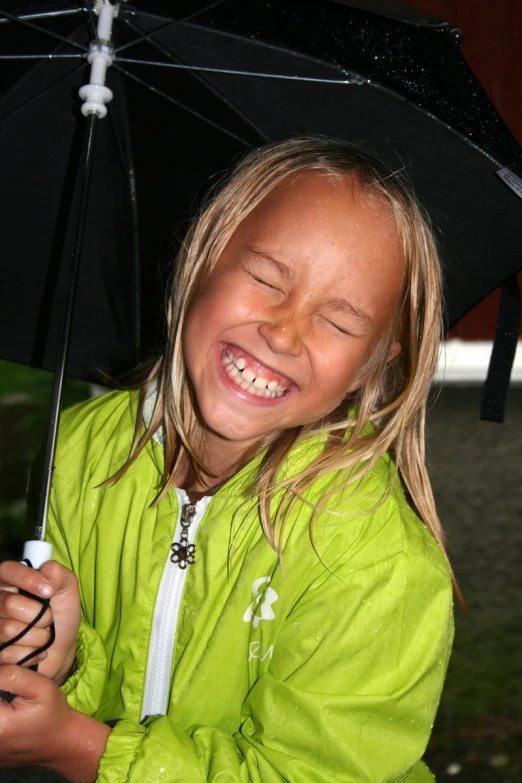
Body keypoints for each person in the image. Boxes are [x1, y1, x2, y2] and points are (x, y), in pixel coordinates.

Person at [0, 137, 454, 782]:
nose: (284, 332)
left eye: (341, 322)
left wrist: (81, 748)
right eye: (268, 279)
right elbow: (106, 686)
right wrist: (62, 656)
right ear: (204, 256)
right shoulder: (78, 451)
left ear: (372, 367)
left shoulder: (378, 564)